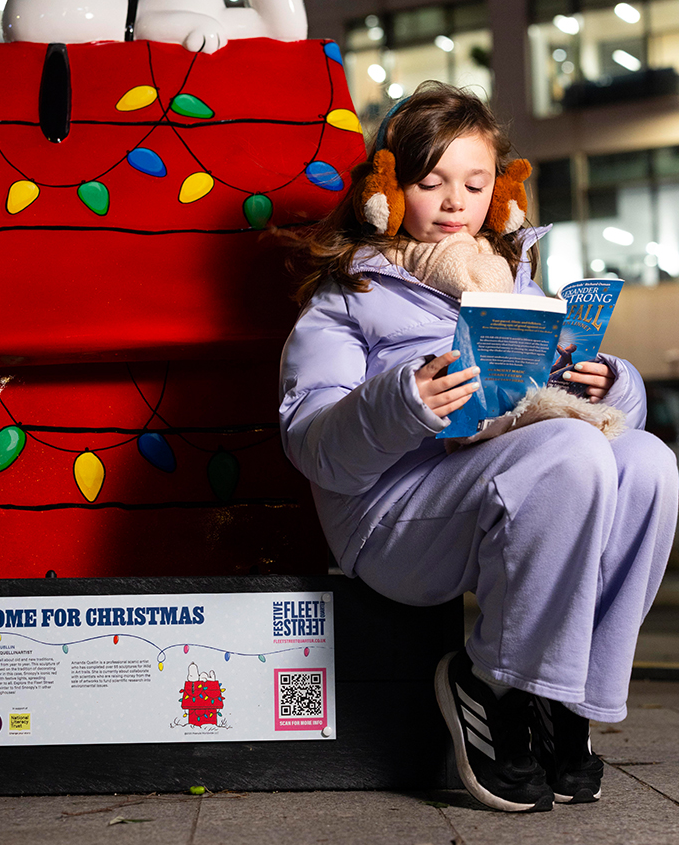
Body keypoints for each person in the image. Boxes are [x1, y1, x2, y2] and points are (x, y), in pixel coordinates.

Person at [278, 81, 678, 813]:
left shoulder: (514, 283)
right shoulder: (351, 292)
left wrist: (609, 385)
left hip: (508, 485)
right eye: (431, 182)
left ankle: (564, 699)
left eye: (474, 182)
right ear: (388, 191)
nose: (455, 201)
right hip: (391, 515)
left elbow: (585, 416)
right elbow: (312, 444)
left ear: (498, 192)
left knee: (650, 463)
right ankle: (491, 682)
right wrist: (404, 399)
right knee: (570, 453)